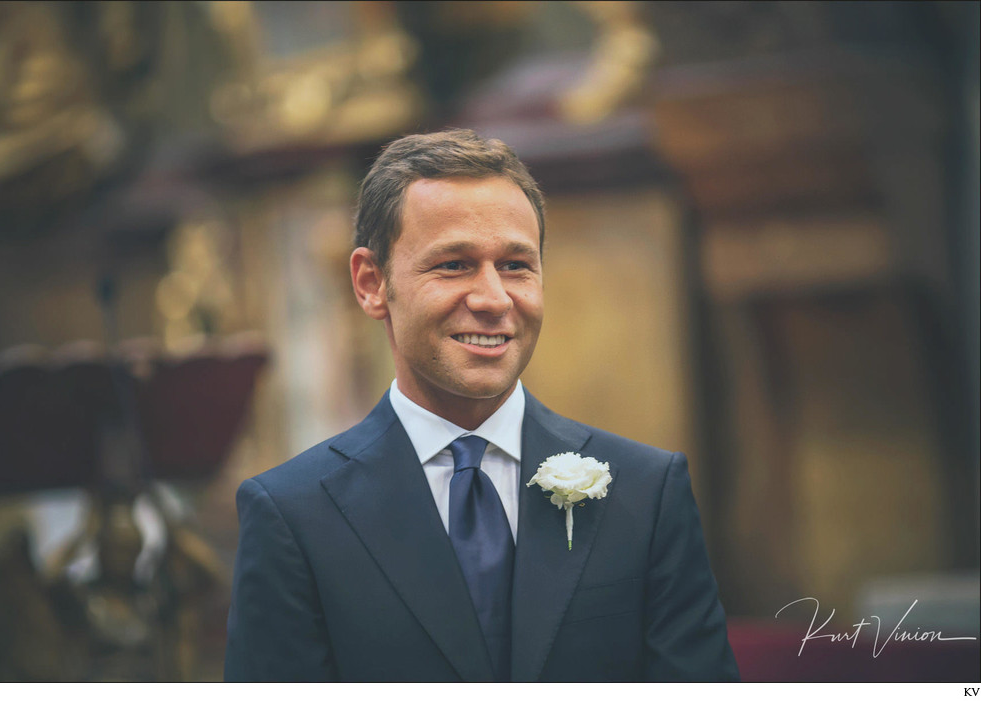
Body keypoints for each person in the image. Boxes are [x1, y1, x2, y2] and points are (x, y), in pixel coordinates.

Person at [224, 129, 739, 682]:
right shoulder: (292, 516)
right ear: (372, 283)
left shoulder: (646, 492)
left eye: (516, 265)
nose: (494, 298)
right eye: (453, 265)